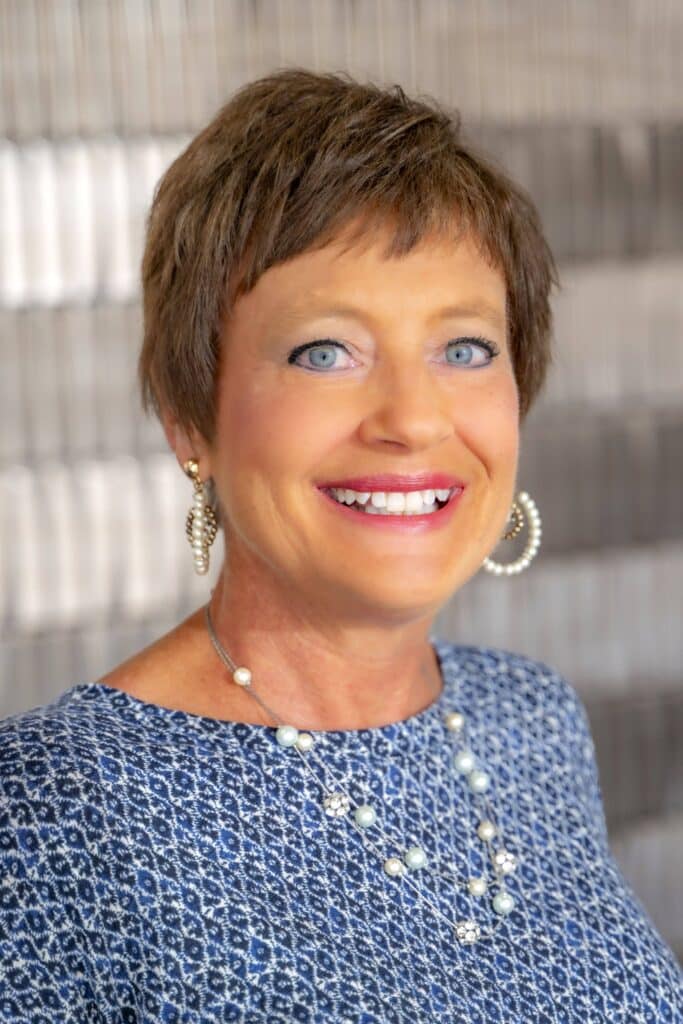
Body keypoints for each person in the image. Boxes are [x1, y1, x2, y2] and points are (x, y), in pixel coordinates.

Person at [1, 69, 680, 1023]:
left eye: (466, 349)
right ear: (188, 417)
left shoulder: (531, 719)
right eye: (325, 351)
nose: (412, 420)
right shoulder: (50, 812)